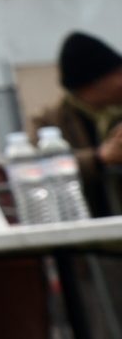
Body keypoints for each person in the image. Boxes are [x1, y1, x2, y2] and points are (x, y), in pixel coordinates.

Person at [34, 32, 122, 218]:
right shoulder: (49, 123)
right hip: (83, 233)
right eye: (118, 74)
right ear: (95, 83)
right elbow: (37, 169)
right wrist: (99, 158)